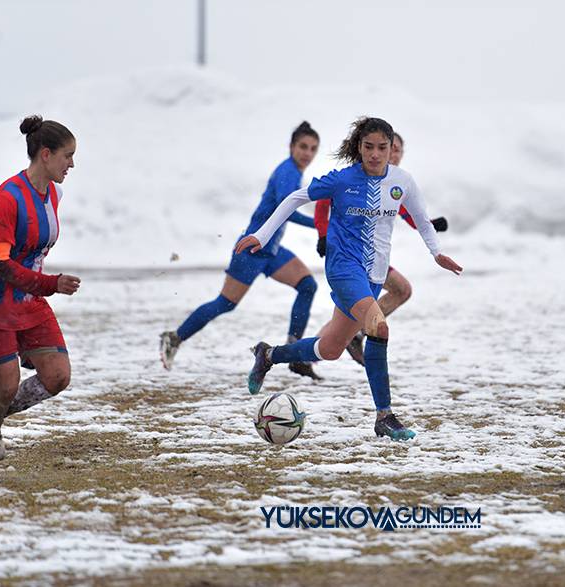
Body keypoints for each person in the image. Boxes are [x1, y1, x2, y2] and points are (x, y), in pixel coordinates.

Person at [235, 117, 462, 441]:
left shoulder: (402, 181)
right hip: (343, 269)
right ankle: (384, 416)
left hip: (374, 274)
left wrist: (436, 253)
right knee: (378, 326)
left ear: (391, 149)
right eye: (368, 147)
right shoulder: (342, 180)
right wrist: (261, 234)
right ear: (358, 147)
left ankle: (269, 354)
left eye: (382, 148)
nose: (375, 154)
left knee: (329, 349)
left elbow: (423, 221)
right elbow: (295, 198)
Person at [0, 115, 81, 481]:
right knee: (7, 385)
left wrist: (42, 285)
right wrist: (50, 284)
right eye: (67, 155)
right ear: (45, 154)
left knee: (58, 376)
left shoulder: (53, 194)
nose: (72, 164)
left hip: (28, 298)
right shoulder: (6, 198)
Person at [160, 122, 322, 380]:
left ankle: (295, 355)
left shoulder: (294, 172)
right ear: (291, 147)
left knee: (308, 286)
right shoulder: (288, 171)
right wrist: (319, 224)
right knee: (225, 303)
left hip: (271, 250)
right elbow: (286, 208)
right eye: (302, 147)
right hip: (252, 249)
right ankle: (174, 337)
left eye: (313, 149)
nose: (307, 153)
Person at [313, 131, 448, 365]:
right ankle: (355, 336)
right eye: (390, 148)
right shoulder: (356, 177)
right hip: (351, 258)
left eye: (398, 151)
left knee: (350, 314)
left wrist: (430, 225)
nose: (393, 155)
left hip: (374, 258)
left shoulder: (394, 183)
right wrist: (323, 234)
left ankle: (310, 354)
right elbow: (323, 201)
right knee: (399, 291)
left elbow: (405, 213)